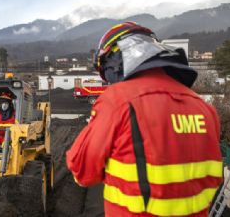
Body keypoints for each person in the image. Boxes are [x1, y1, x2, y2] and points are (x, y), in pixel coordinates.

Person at [66, 22, 222, 216]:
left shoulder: (119, 100)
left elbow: (82, 172)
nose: (108, 79)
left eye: (105, 70)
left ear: (116, 56)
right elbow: (212, 178)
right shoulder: (205, 109)